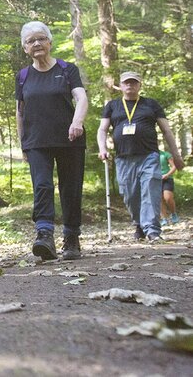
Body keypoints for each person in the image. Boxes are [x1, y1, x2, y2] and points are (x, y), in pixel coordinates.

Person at [15, 21, 89, 261]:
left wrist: (77, 123)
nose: (36, 43)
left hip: (70, 139)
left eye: (40, 38)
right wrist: (22, 142)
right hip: (37, 141)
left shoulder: (67, 69)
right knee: (42, 186)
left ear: (49, 42)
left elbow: (81, 97)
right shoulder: (23, 76)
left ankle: (71, 238)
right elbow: (20, 111)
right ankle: (45, 235)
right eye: (30, 41)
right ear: (25, 48)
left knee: (70, 188)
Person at [97, 71, 184, 242]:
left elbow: (166, 130)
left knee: (151, 191)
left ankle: (152, 230)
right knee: (131, 195)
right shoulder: (113, 106)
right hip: (123, 157)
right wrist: (102, 148)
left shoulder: (151, 105)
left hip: (149, 155)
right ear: (120, 86)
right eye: (126, 83)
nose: (130, 86)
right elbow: (102, 129)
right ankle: (139, 223)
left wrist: (176, 155)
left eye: (134, 83)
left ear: (139, 85)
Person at [159, 149, 180, 225]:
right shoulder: (149, 156)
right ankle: (164, 218)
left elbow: (174, 167)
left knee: (168, 198)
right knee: (159, 199)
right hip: (156, 180)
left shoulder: (165, 154)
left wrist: (167, 175)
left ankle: (174, 214)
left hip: (167, 179)